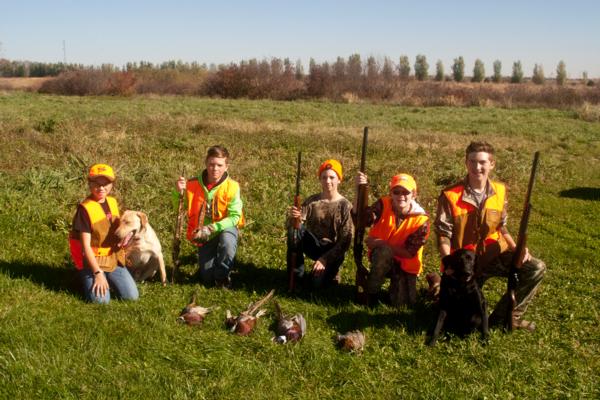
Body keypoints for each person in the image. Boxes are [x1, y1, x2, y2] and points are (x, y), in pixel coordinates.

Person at [435, 141, 546, 331]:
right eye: (472, 162)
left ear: (491, 164)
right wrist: (448, 263)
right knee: (456, 315)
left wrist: (517, 249)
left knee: (536, 267)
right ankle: (435, 288)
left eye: (482, 162)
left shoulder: (500, 191)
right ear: (466, 163)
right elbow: (443, 235)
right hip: (466, 264)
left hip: (493, 255)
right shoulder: (450, 194)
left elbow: (502, 227)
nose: (477, 167)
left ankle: (507, 317)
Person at [355, 172, 430, 307]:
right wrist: (359, 190)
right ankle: (372, 293)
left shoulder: (421, 221)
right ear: (391, 193)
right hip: (382, 258)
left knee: (402, 305)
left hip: (405, 266)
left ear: (414, 194)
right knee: (383, 252)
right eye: (396, 192)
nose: (401, 196)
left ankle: (432, 282)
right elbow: (363, 219)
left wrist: (380, 242)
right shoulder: (383, 205)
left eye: (405, 192)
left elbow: (408, 253)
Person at [69, 164, 139, 304]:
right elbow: (85, 247)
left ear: (111, 185)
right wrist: (97, 273)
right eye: (96, 183)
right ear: (90, 184)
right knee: (101, 302)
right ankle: (84, 278)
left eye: (105, 183)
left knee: (131, 297)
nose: (101, 188)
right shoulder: (84, 210)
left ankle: (107, 280)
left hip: (113, 259)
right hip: (92, 263)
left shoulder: (112, 202)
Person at [176, 145, 244, 288]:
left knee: (227, 242)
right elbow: (179, 206)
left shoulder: (232, 186)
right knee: (206, 278)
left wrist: (213, 227)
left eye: (219, 165)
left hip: (224, 228)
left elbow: (235, 217)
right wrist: (178, 192)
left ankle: (223, 278)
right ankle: (213, 269)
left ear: (226, 167)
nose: (215, 169)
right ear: (206, 163)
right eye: (211, 164)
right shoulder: (192, 184)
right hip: (203, 234)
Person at [287, 159, 353, 290]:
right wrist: (294, 219)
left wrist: (325, 259)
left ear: (339, 180)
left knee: (317, 286)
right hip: (314, 246)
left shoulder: (345, 206)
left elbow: (345, 242)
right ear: (320, 179)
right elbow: (296, 229)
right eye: (324, 177)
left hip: (333, 251)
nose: (328, 181)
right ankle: (296, 277)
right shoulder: (312, 202)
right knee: (293, 231)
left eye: (332, 177)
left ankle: (330, 273)